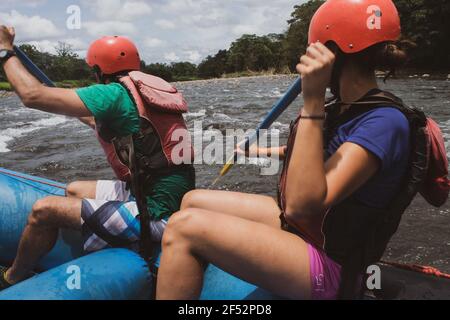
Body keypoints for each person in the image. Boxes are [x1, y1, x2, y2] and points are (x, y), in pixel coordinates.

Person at [155, 0, 422, 300]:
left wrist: (312, 103)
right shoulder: (345, 109)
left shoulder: (384, 122)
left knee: (184, 227)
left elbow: (300, 204)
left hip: (334, 264)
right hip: (311, 229)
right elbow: (313, 159)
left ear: (330, 53)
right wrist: (256, 152)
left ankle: (188, 254)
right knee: (192, 201)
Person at [0, 33, 195, 290]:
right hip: (158, 192)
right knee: (74, 189)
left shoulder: (112, 94)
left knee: (43, 211)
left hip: (158, 212)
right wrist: (72, 107)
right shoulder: (138, 89)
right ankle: (90, 251)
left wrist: (5, 49)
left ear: (97, 69)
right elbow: (100, 121)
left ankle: (14, 276)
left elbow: (31, 95)